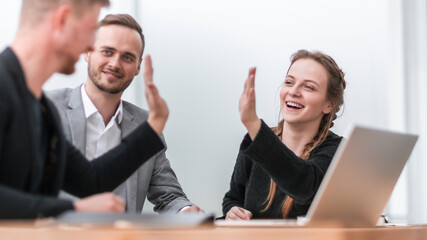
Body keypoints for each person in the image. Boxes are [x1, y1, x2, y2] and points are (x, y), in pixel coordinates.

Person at [0, 0, 169, 219]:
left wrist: (154, 124)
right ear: (61, 20)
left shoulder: (42, 111)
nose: (91, 46)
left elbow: (91, 180)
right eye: (90, 31)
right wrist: (73, 210)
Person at [46, 14, 202, 214]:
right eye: (107, 51)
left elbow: (168, 196)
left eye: (127, 57)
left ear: (138, 67)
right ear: (87, 52)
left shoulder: (146, 125)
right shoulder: (48, 108)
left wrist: (185, 211)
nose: (115, 64)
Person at [222, 50, 346, 219]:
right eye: (289, 82)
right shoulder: (255, 142)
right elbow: (233, 198)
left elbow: (304, 184)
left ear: (328, 105)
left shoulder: (338, 151)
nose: (293, 92)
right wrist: (233, 210)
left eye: (308, 87)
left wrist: (253, 124)